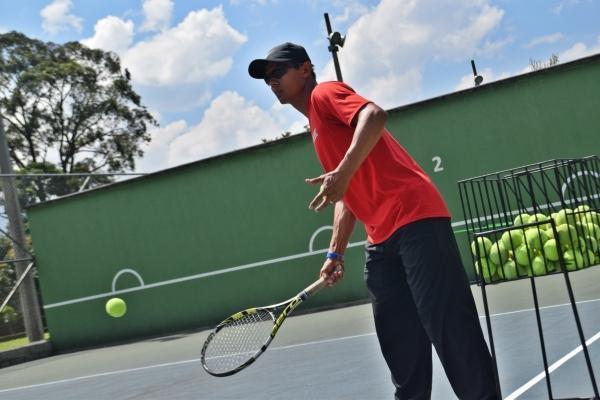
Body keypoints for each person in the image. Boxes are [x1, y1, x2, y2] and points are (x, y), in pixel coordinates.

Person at [248, 42, 498, 400]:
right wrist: (334, 255)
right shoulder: (316, 128)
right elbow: (346, 195)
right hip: (381, 241)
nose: (272, 82)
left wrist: (344, 171)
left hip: (416, 220)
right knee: (401, 345)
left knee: (451, 331)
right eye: (267, 78)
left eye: (278, 72)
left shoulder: (325, 94)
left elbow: (375, 115)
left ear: (304, 69)